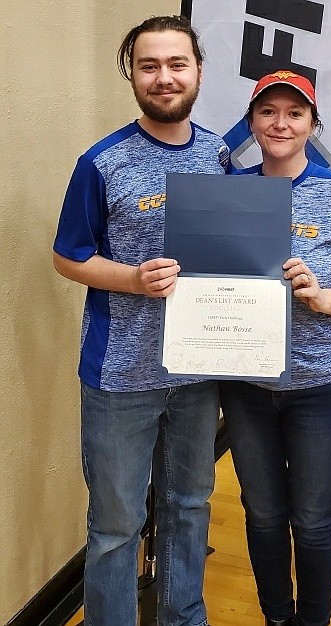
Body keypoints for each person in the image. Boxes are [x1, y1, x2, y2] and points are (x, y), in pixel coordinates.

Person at [53, 15, 229, 626]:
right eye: (149, 66)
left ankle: (185, 617)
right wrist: (129, 279)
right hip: (119, 376)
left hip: (198, 371)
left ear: (198, 71)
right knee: (115, 526)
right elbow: (67, 257)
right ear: (133, 74)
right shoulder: (100, 162)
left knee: (189, 508)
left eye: (176, 64)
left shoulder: (221, 159)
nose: (164, 78)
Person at [219, 71, 331, 626]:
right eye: (268, 112)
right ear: (252, 124)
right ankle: (276, 616)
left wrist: (326, 297)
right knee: (264, 514)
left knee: (313, 518)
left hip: (322, 388)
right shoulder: (230, 193)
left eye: (295, 113)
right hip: (245, 386)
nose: (281, 123)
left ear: (312, 125)